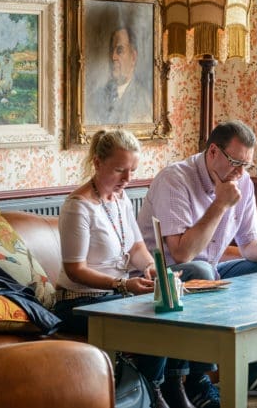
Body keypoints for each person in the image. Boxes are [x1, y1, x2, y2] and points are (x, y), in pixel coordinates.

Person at [138, 120, 257, 408]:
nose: (240, 173)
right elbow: (183, 254)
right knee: (201, 270)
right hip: (162, 277)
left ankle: (251, 366)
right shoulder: (175, 180)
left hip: (210, 269)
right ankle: (198, 380)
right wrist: (220, 204)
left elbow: (248, 245)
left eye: (246, 165)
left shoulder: (242, 182)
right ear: (213, 151)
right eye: (235, 162)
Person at [52, 129, 172, 408]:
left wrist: (152, 269)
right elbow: (74, 270)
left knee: (172, 309)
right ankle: (150, 394)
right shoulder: (77, 207)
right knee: (156, 320)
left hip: (116, 298)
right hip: (79, 303)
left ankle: (160, 387)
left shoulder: (121, 200)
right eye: (120, 170)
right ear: (97, 162)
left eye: (133, 170)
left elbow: (136, 249)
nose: (128, 179)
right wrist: (122, 285)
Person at [87, 25, 153, 125]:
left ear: (133, 57)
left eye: (120, 50)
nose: (113, 57)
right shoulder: (96, 96)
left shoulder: (144, 101)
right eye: (111, 51)